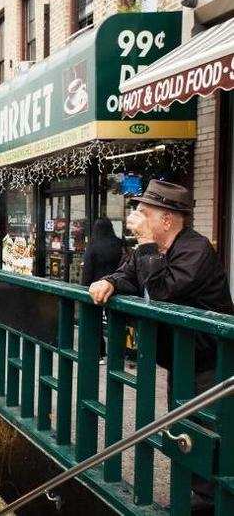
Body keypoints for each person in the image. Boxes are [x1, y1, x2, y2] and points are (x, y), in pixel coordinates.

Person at [88, 179, 233, 508]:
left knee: (206, 432)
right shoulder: (150, 250)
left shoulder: (195, 249)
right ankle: (194, 495)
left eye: (144, 211)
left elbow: (164, 290)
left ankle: (209, 501)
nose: (136, 216)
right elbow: (129, 275)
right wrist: (108, 280)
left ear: (166, 219)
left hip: (211, 360)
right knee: (182, 428)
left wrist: (145, 243)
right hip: (181, 358)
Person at [81, 218, 125, 362]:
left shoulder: (93, 246)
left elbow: (87, 270)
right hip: (117, 288)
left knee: (96, 322)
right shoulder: (119, 243)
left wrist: (84, 288)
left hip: (97, 288)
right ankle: (117, 353)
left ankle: (100, 353)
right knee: (116, 322)